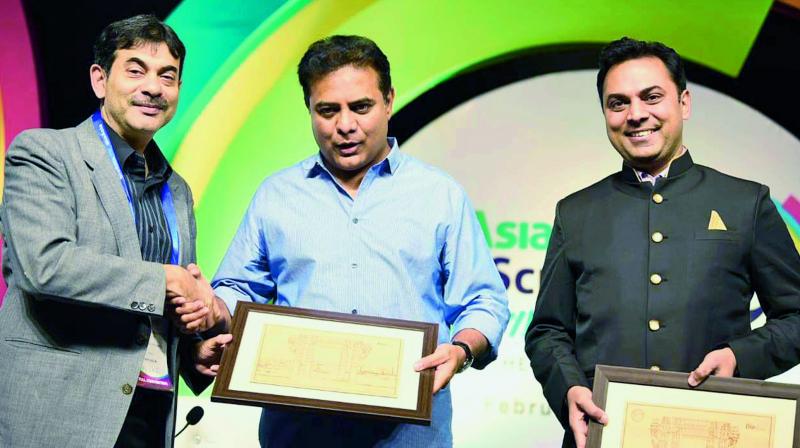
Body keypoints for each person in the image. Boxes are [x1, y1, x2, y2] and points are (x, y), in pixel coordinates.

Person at [209, 35, 509, 447]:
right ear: (309, 110)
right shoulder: (276, 194)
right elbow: (237, 287)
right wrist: (211, 311)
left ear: (389, 100)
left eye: (361, 107)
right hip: (298, 431)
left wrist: (460, 350)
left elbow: (484, 301)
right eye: (328, 110)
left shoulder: (439, 195)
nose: (345, 125)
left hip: (409, 433)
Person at [525, 37, 800, 448]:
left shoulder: (746, 202)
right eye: (618, 103)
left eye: (651, 97)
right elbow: (547, 331)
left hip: (714, 432)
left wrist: (741, 357)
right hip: (603, 435)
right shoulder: (576, 212)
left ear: (684, 103)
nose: (636, 115)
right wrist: (569, 388)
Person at [0, 14, 229, 448]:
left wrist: (192, 355)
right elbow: (44, 265)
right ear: (100, 79)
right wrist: (166, 279)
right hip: (57, 409)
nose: (153, 87)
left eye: (168, 76)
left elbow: (153, 314)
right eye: (136, 70)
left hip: (148, 412)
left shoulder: (177, 190)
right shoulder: (45, 153)